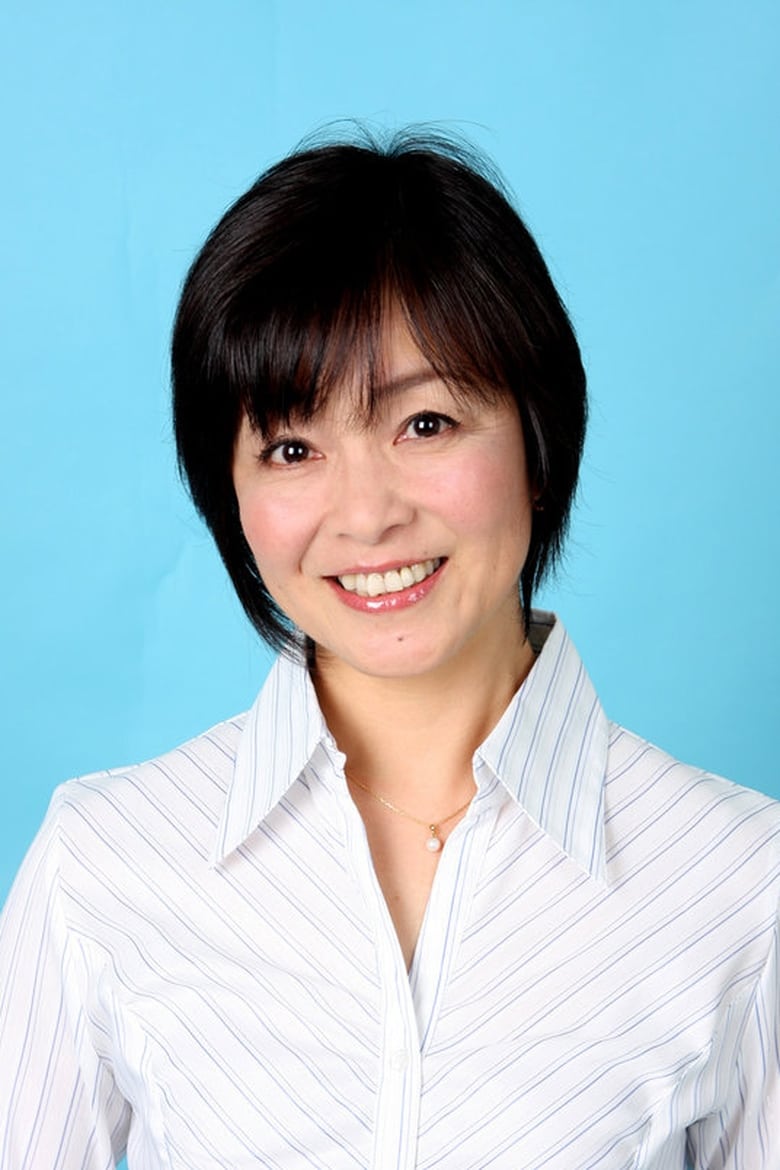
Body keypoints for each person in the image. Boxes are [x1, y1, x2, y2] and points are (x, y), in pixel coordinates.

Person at [1, 129, 778, 1170]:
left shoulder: (743, 887)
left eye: (426, 425)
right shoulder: (102, 865)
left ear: (537, 440)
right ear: (231, 497)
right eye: (292, 447)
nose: (367, 515)